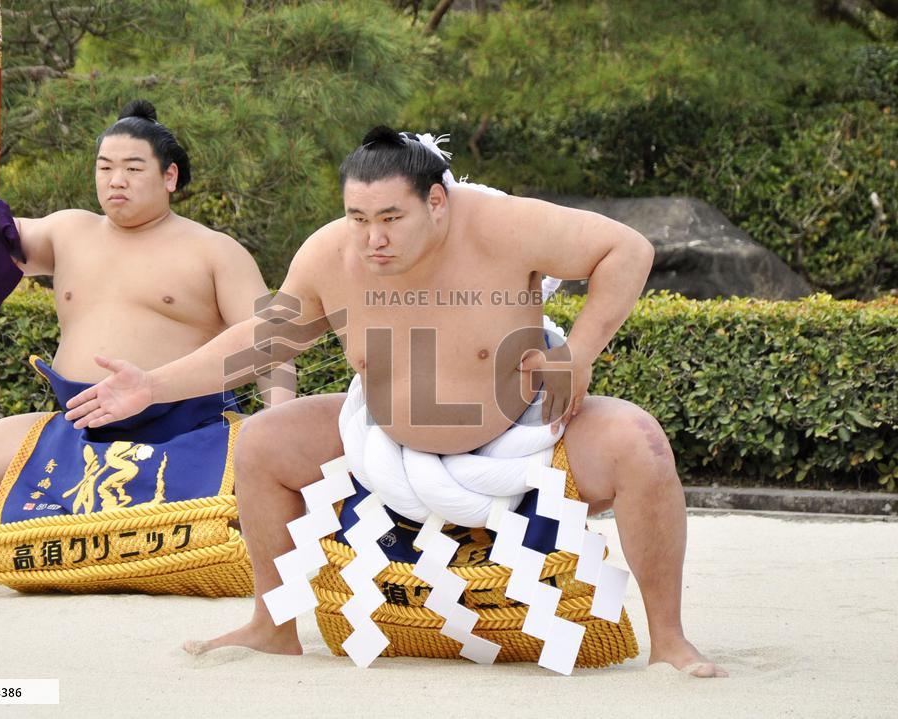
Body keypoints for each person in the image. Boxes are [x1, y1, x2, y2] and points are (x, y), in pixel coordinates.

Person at [63, 126, 727, 677]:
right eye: (358, 218)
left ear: (438, 202)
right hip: (382, 444)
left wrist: (576, 353)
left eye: (390, 218)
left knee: (640, 444)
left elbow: (626, 249)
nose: (371, 238)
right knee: (264, 442)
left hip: (527, 432)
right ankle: (274, 624)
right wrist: (152, 385)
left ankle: (667, 637)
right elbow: (265, 339)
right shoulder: (332, 255)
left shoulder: (503, 224)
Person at [0, 100, 294, 522]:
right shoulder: (67, 231)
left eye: (133, 169)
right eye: (105, 168)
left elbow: (271, 343)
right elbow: (1, 238)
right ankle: (90, 538)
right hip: (80, 428)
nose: (116, 180)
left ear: (170, 176)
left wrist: (280, 423)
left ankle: (146, 532)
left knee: (265, 491)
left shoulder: (215, 251)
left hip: (186, 432)